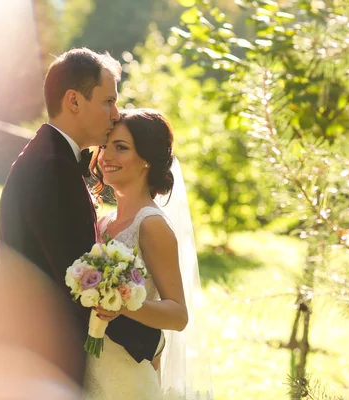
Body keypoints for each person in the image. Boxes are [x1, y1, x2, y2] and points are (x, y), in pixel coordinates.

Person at [0, 47, 122, 398]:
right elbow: (77, 278)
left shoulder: (52, 156)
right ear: (74, 101)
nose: (116, 113)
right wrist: (144, 337)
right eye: (108, 101)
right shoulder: (52, 167)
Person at [86, 108, 212, 400]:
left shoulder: (152, 225)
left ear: (146, 159)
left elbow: (178, 315)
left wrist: (123, 306)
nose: (106, 156)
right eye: (105, 146)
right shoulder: (104, 222)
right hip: (93, 367)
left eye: (121, 148)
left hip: (128, 375)